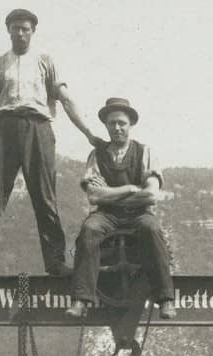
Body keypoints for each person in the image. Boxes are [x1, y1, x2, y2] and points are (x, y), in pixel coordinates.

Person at [0, 9, 103, 276]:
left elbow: (66, 99)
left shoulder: (45, 61)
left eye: (25, 28)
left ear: (33, 31)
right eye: (15, 28)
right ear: (8, 31)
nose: (20, 33)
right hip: (4, 129)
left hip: (38, 128)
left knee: (45, 197)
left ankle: (55, 262)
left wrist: (88, 133)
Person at [65, 97, 175, 320]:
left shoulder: (145, 152)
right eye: (112, 123)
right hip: (107, 216)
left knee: (152, 229)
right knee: (90, 230)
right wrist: (131, 188)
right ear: (106, 125)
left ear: (130, 125)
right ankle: (81, 299)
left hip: (139, 214)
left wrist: (112, 194)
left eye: (121, 123)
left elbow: (151, 194)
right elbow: (94, 196)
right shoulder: (96, 156)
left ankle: (165, 299)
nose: (117, 128)